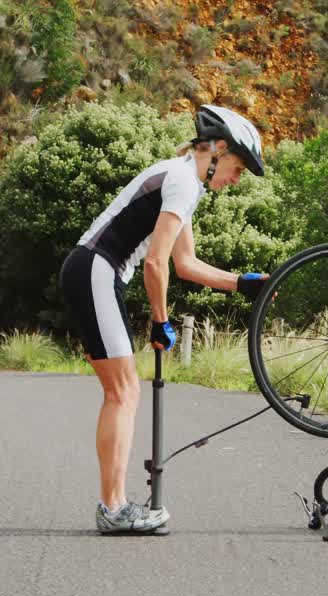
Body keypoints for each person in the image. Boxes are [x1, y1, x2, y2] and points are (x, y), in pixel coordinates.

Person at [58, 105, 270, 534]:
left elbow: (186, 263)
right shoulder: (182, 182)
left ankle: (112, 505)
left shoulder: (183, 180)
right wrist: (161, 321)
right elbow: (156, 264)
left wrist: (243, 284)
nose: (235, 180)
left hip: (94, 272)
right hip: (97, 269)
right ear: (218, 149)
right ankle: (113, 508)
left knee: (123, 391)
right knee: (123, 392)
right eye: (237, 169)